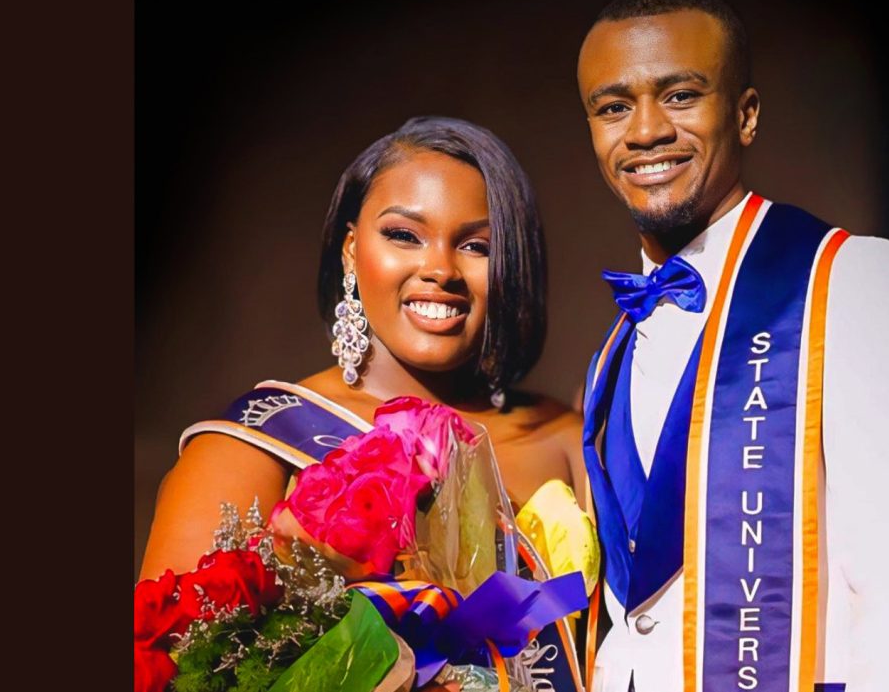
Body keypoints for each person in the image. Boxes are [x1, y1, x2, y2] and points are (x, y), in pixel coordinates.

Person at [575, 0, 889, 692]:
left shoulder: (859, 283)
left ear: (746, 114)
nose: (643, 131)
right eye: (613, 107)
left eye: (679, 96)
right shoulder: (615, 348)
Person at [140, 116, 588, 583]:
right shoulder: (254, 444)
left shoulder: (565, 439)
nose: (440, 269)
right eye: (404, 236)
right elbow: (172, 649)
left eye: (478, 246)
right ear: (351, 250)